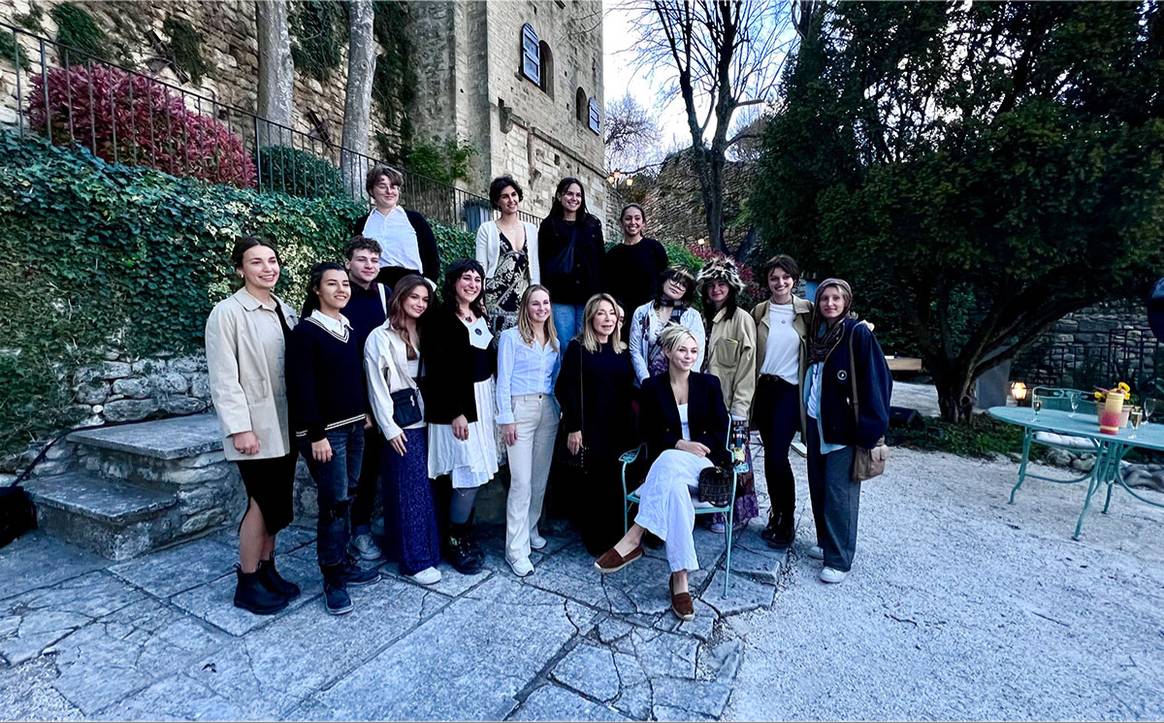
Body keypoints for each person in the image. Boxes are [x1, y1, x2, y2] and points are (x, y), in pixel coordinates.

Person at [594, 324, 731, 622]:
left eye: (694, 351)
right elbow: (647, 433)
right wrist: (679, 443)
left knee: (669, 462)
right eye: (682, 349)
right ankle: (680, 581)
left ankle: (634, 536)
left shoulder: (709, 384)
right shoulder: (652, 388)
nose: (688, 356)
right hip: (669, 472)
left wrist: (697, 446)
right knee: (674, 487)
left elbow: (721, 431)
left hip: (702, 466)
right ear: (668, 351)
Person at [205, 237, 301, 616]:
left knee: (277, 504)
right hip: (255, 428)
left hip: (287, 423)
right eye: (257, 262)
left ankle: (267, 569)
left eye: (272, 260)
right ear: (240, 269)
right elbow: (224, 378)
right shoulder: (227, 313)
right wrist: (239, 428)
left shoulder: (286, 311)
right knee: (260, 502)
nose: (268, 268)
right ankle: (247, 581)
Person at [286, 263, 382, 615]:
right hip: (327, 435)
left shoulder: (347, 326)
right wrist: (316, 435)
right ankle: (333, 577)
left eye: (345, 283)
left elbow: (353, 375)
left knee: (349, 496)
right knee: (334, 503)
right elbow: (302, 388)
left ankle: (342, 561)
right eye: (332, 283)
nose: (341, 289)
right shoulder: (305, 333)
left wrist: (365, 413)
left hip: (356, 426)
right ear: (316, 289)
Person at [802, 278, 891, 584]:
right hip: (817, 424)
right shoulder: (821, 334)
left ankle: (839, 558)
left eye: (836, 298)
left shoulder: (857, 333)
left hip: (844, 429)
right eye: (825, 298)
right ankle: (827, 542)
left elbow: (877, 382)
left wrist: (870, 430)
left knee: (840, 493)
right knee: (820, 486)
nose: (829, 303)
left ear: (846, 302)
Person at [365, 274, 443, 585]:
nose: (420, 304)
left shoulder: (427, 330)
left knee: (422, 489)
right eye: (414, 298)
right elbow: (376, 385)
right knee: (409, 489)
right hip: (402, 423)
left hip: (430, 418)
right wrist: (389, 427)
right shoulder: (380, 336)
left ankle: (421, 551)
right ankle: (415, 562)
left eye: (425, 299)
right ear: (400, 298)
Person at [422, 259, 499, 574]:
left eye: (477, 278)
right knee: (465, 476)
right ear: (453, 281)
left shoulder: (479, 314)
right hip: (458, 407)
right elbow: (439, 371)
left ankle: (463, 532)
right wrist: (457, 412)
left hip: (483, 399)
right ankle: (456, 539)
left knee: (475, 473)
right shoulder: (440, 319)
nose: (472, 283)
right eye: (466, 278)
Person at [555, 293, 637, 555]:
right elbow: (565, 389)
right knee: (594, 483)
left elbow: (627, 391)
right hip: (590, 426)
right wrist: (574, 427)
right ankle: (595, 538)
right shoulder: (578, 348)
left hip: (619, 427)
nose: (608, 318)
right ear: (590, 317)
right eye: (601, 313)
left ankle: (616, 535)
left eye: (612, 313)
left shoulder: (622, 351)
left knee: (616, 482)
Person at [495, 285, 561, 577]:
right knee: (520, 482)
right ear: (525, 307)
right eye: (536, 303)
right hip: (519, 410)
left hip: (547, 409)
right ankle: (516, 549)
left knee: (539, 479)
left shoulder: (554, 342)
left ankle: (531, 528)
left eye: (546, 302)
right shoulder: (511, 338)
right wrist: (506, 418)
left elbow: (555, 380)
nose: (542, 308)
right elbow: (503, 380)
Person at [750, 255, 813, 549]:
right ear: (767, 281)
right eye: (774, 278)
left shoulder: (806, 311)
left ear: (794, 279)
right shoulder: (759, 311)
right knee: (770, 459)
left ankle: (786, 519)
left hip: (790, 390)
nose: (780, 283)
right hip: (764, 389)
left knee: (777, 455)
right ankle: (775, 513)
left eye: (785, 277)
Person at [696, 256, 759, 534]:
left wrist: (741, 407)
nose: (716, 289)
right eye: (711, 284)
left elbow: (748, 366)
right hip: (705, 402)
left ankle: (737, 513)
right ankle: (714, 508)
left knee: (737, 456)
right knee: (712, 455)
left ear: (731, 287)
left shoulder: (742, 319)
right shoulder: (701, 318)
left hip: (732, 403)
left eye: (722, 284)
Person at [342, 235, 390, 563]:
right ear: (348, 262)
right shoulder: (336, 293)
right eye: (362, 259)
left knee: (380, 464)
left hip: (382, 391)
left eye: (374, 260)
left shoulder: (384, 294)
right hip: (351, 393)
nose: (369, 266)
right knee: (358, 470)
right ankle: (356, 532)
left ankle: (380, 523)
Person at [538, 177, 605, 343]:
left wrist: (601, 293)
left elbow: (600, 259)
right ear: (560, 196)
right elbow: (543, 260)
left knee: (588, 343)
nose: (574, 199)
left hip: (588, 293)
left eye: (578, 195)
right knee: (564, 344)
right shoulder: (549, 225)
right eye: (569, 194)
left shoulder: (592, 224)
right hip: (560, 295)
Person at [351, 165, 440, 289]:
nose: (389, 191)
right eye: (382, 186)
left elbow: (432, 256)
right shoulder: (362, 223)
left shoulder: (414, 219)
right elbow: (356, 257)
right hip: (377, 286)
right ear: (371, 191)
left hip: (412, 285)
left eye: (393, 187)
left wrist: (429, 286)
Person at [476, 175, 541, 334]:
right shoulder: (487, 229)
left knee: (524, 343)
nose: (511, 200)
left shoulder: (532, 230)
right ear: (497, 201)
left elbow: (535, 267)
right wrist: (479, 299)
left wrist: (536, 295)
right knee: (497, 346)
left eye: (513, 195)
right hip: (495, 298)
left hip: (524, 297)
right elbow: (481, 267)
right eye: (505, 196)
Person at [628, 265, 704, 386]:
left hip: (679, 387)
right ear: (664, 279)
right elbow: (635, 350)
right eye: (674, 279)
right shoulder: (642, 312)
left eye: (684, 284)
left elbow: (697, 353)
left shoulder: (692, 316)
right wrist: (647, 382)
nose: (677, 286)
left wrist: (685, 384)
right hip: (646, 384)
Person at [604, 203, 668, 337]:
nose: (633, 222)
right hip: (623, 316)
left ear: (643, 223)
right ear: (621, 222)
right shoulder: (612, 255)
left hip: (651, 313)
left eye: (637, 218)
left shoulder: (654, 248)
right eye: (628, 218)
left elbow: (665, 280)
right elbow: (608, 288)